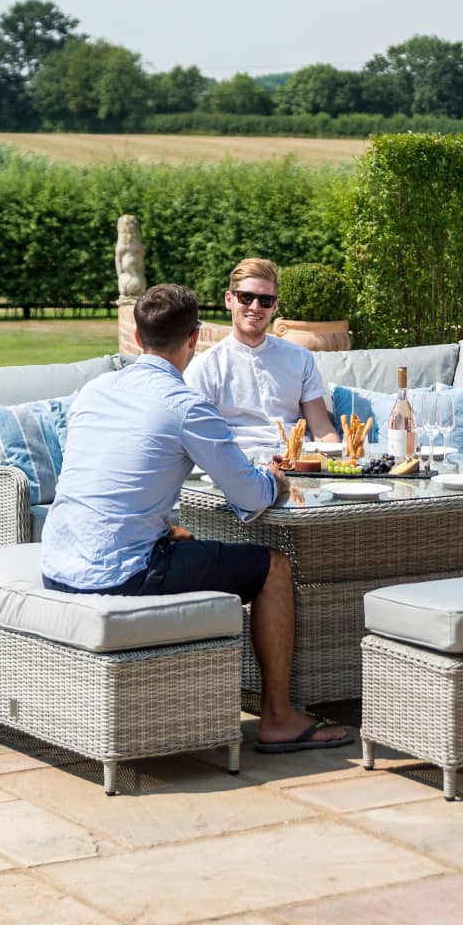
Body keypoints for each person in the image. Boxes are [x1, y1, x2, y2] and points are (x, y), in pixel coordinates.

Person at [41, 283, 351, 754]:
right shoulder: (185, 405)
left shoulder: (95, 389)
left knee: (184, 539)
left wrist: (164, 528)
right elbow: (249, 497)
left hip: (58, 564)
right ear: (194, 338)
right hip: (121, 573)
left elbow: (103, 483)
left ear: (140, 338)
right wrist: (276, 478)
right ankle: (279, 718)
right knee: (273, 567)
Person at [184, 257, 339, 452]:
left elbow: (322, 429)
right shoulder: (206, 366)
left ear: (274, 307)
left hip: (297, 460)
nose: (255, 307)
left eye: (265, 300)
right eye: (246, 298)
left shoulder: (300, 358)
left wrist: (343, 464)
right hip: (240, 464)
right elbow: (198, 438)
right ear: (229, 300)